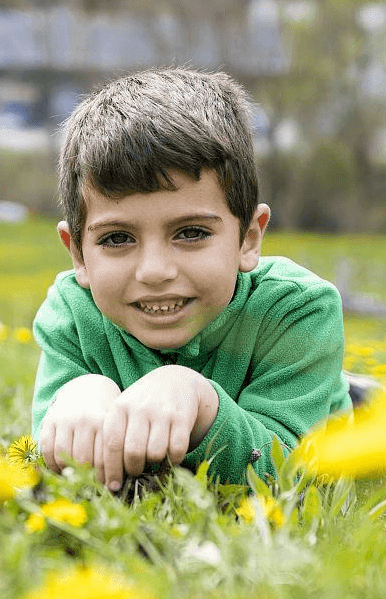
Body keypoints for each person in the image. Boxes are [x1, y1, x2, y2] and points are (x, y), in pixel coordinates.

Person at [31, 67, 352, 489]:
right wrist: (77, 398)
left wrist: (201, 403)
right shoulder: (72, 314)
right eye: (117, 238)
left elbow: (292, 477)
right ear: (78, 253)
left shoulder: (297, 310)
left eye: (191, 233)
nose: (155, 271)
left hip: (320, 404)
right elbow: (50, 473)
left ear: (248, 238)